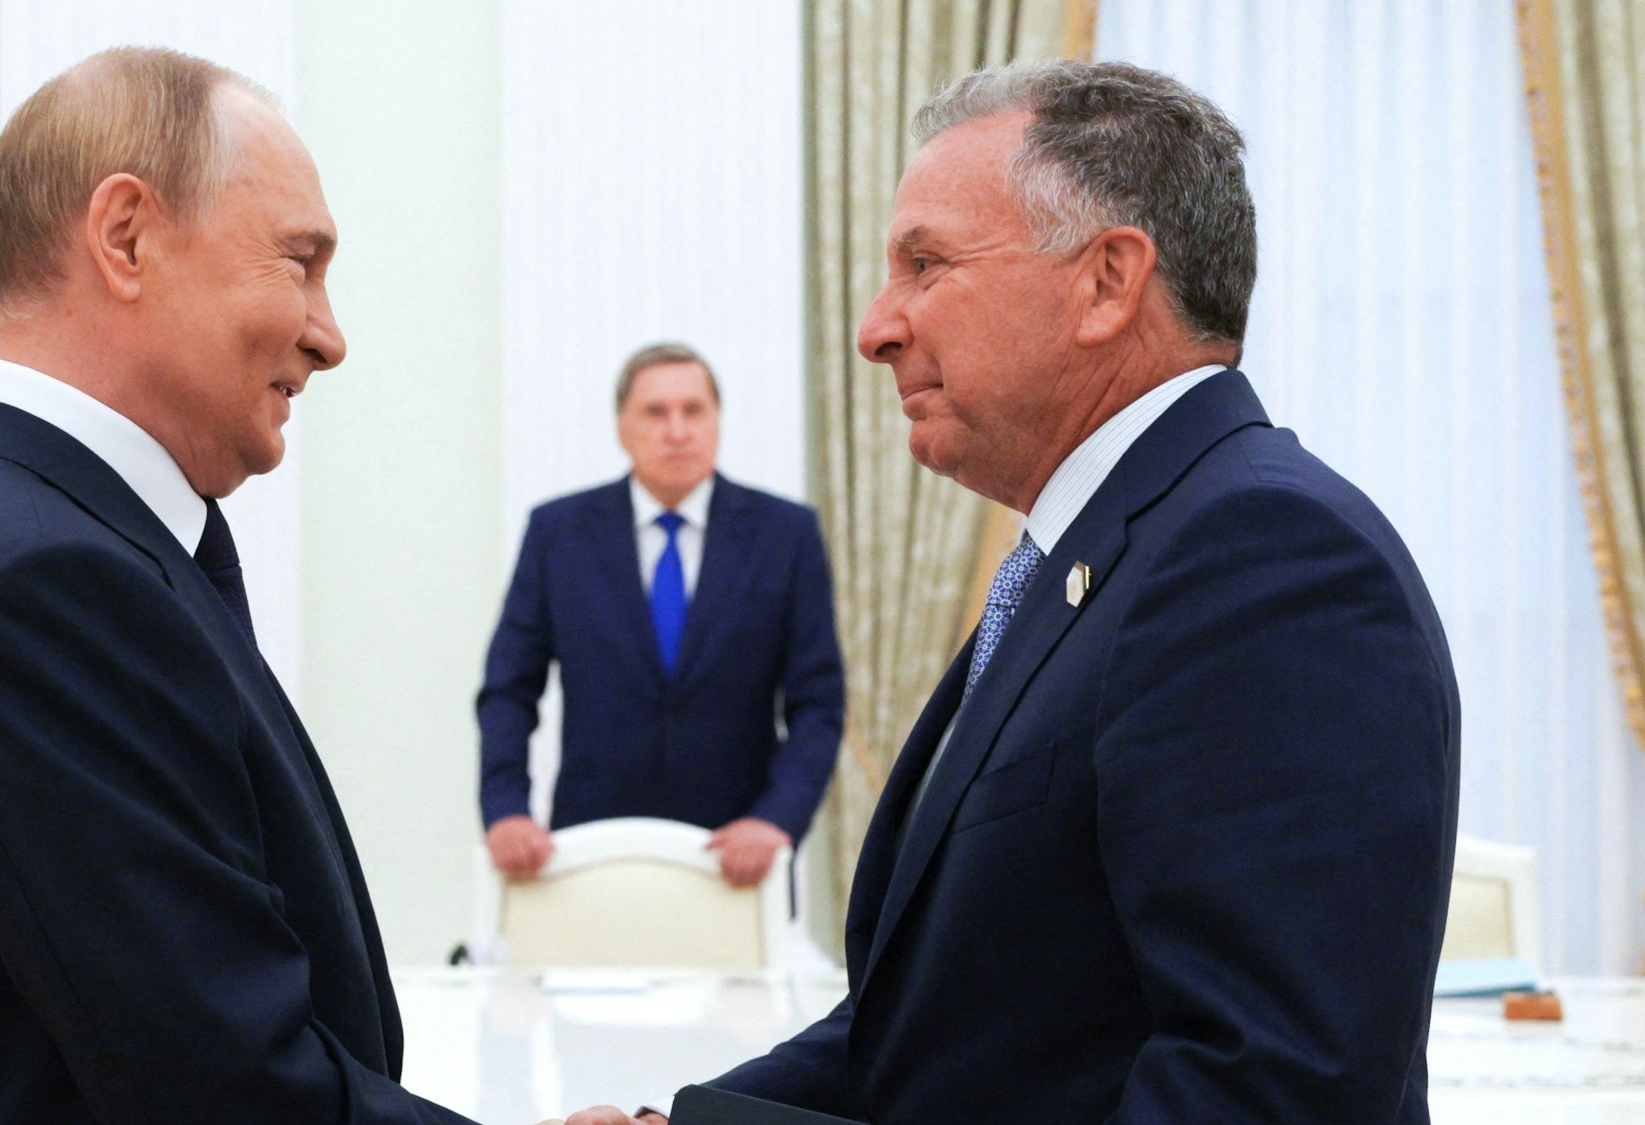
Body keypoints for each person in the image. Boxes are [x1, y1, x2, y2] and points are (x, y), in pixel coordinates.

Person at [567, 60, 1459, 1124]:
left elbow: (1263, 1095)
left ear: (1104, 281)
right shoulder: (1097, 556)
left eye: (924, 264)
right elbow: (932, 1027)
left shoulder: (1261, 559)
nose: (875, 327)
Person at [0, 48, 478, 1123]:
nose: (329, 335)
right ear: (126, 237)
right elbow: (228, 1092)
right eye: (298, 261)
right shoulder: (46, 590)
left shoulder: (47, 543)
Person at [477, 345, 846, 888]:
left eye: (693, 410)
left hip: (736, 858)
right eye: (656, 412)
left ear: (717, 421)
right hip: (589, 852)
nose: (677, 431)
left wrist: (776, 819)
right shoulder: (559, 534)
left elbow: (818, 704)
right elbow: (509, 688)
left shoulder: (785, 535)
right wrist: (506, 807)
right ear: (622, 426)